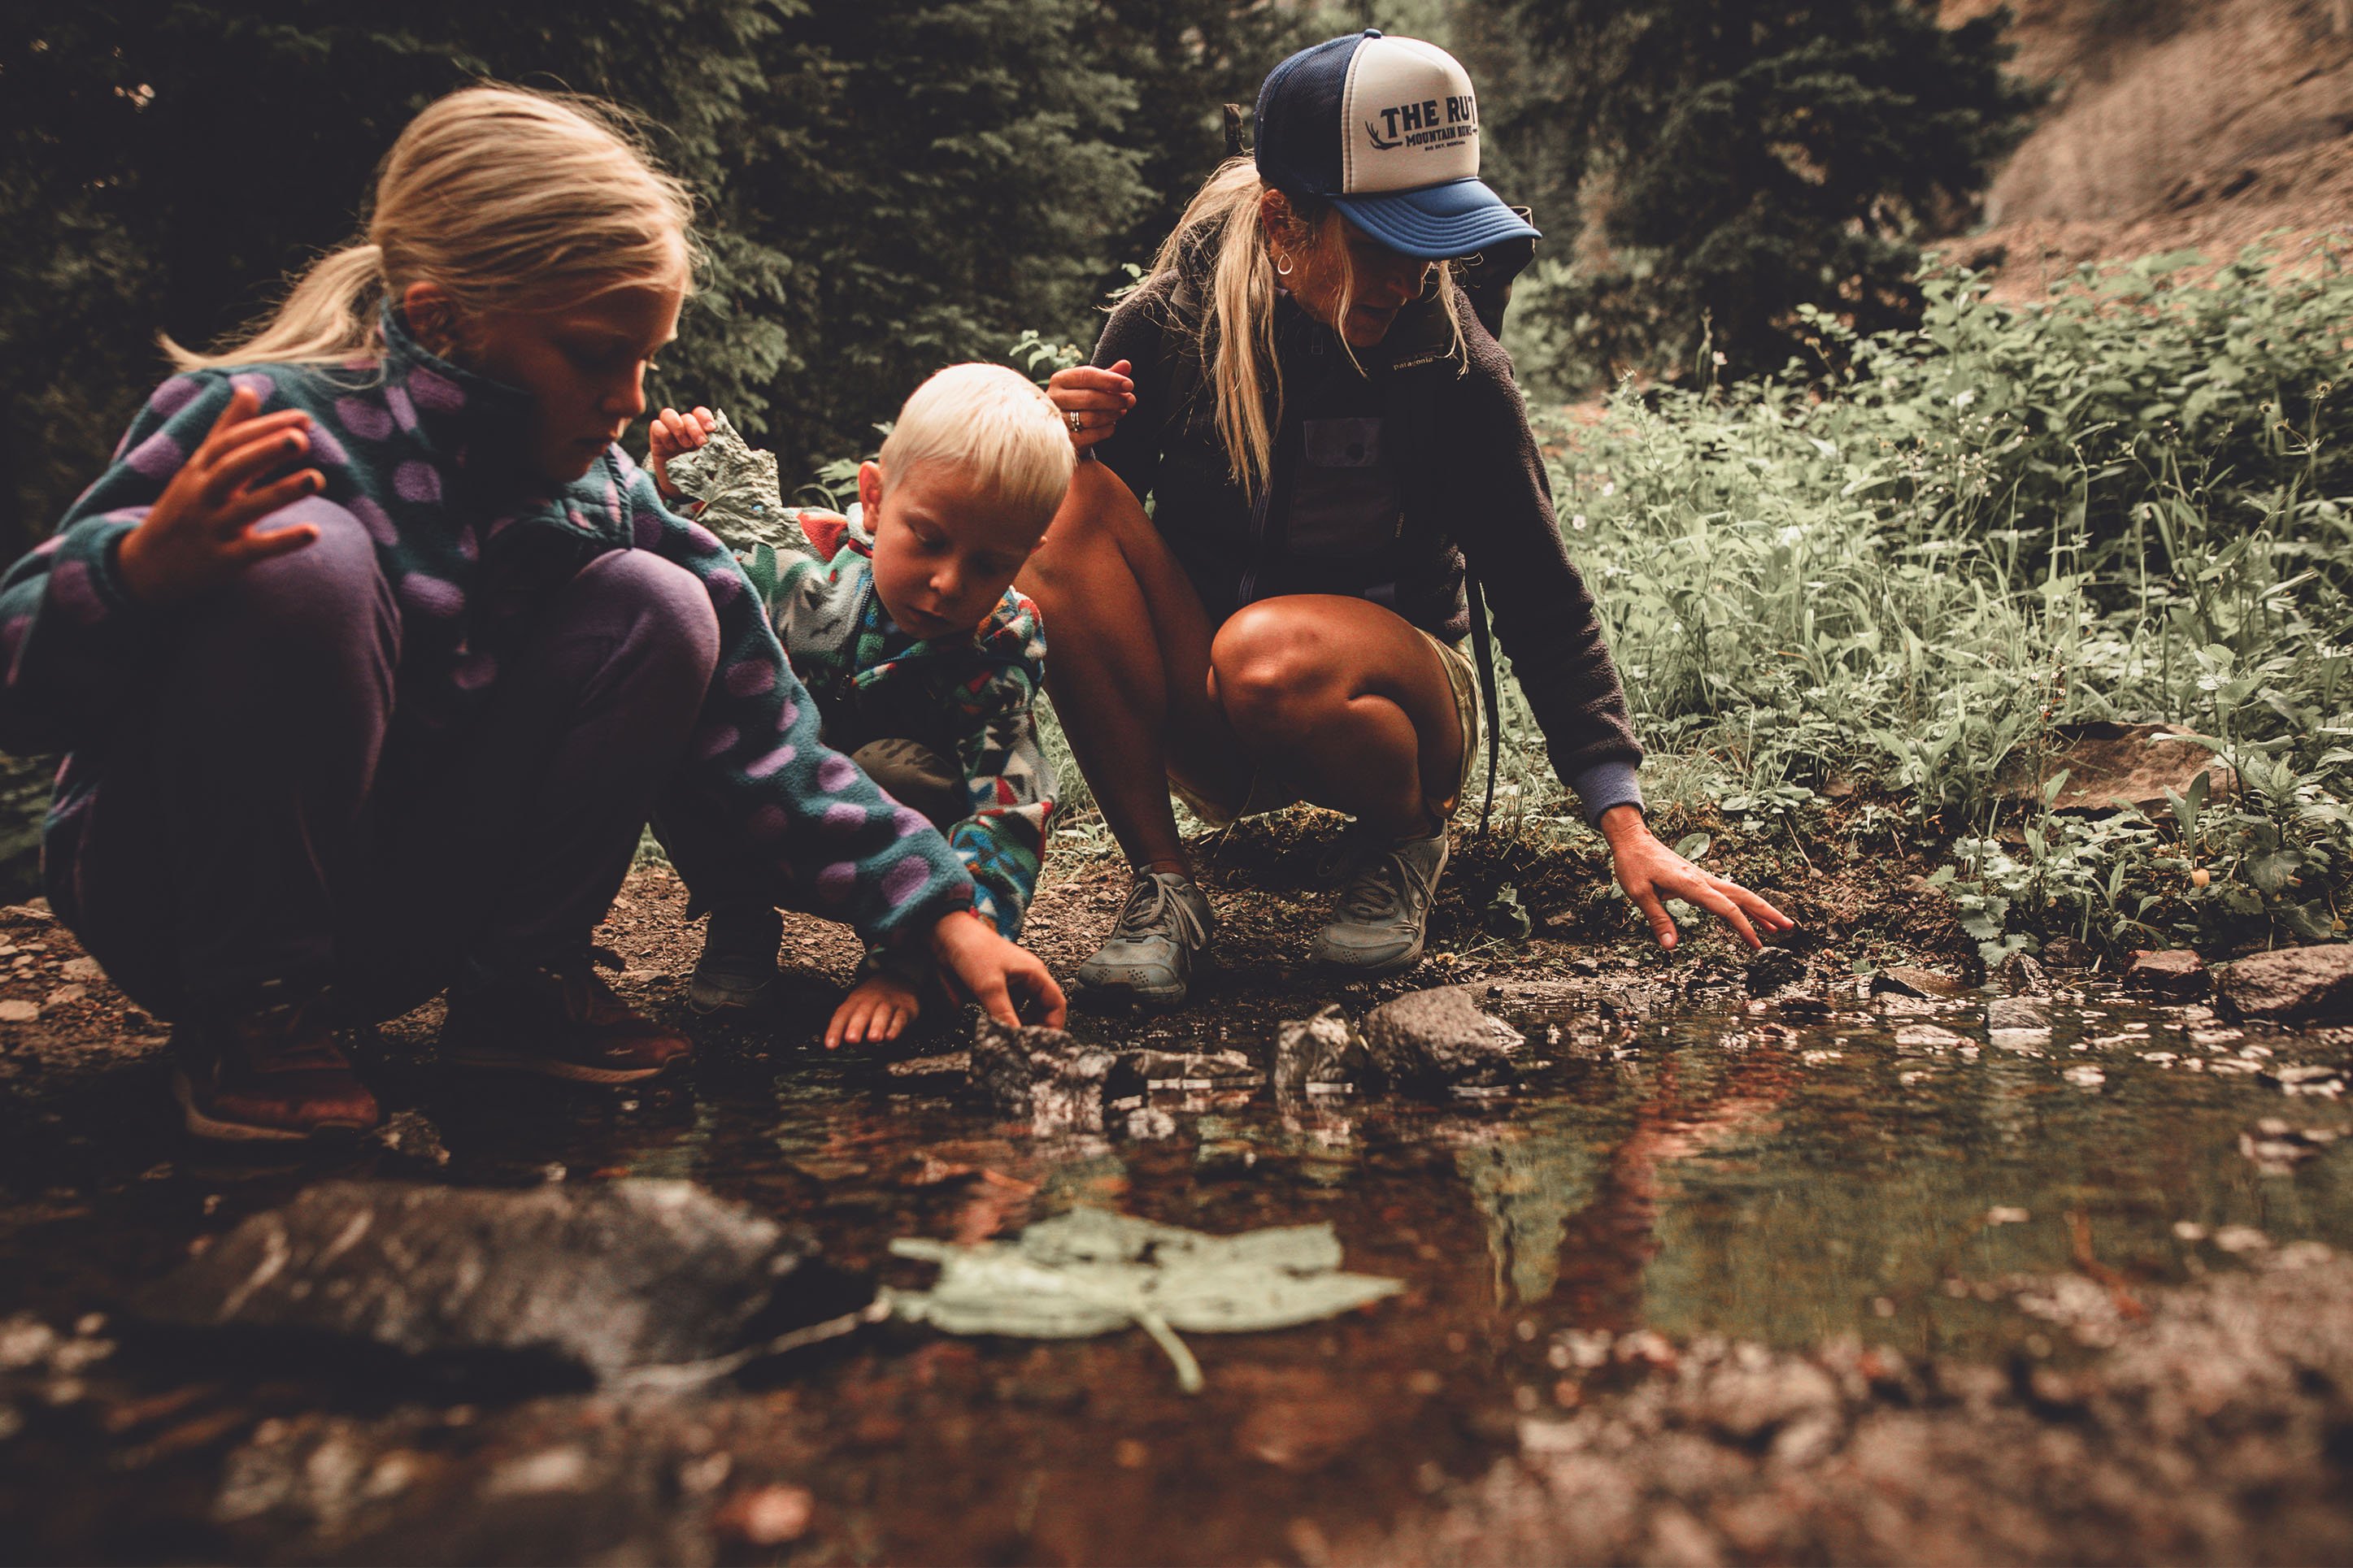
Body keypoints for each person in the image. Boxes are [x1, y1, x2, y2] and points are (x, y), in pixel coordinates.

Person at [0, 85, 1062, 1144]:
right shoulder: (255, 424)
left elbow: (763, 726)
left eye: (646, 356)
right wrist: (137, 575)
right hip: (180, 911)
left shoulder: (599, 489)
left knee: (667, 602)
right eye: (597, 354)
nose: (631, 397)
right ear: (442, 319)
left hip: (402, 917)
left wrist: (939, 912)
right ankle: (252, 1018)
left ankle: (517, 989)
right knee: (307, 561)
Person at [1024, 31, 1792, 1006]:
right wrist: (1063, 442)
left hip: (1397, 711)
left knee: (1265, 651)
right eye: (1383, 243)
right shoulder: (1171, 326)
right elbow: (1087, 558)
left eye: (1435, 241)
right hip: (1215, 704)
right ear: (1283, 222)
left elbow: (1537, 592)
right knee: (1059, 492)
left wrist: (1624, 822)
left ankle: (1402, 835)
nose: (1411, 275)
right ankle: (1165, 888)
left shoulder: (1455, 365)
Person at [645, 364, 1070, 1047]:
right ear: (873, 499)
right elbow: (692, 554)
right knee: (682, 707)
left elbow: (1005, 810)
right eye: (928, 539)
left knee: (906, 772)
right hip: (759, 816)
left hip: (897, 850)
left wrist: (919, 968)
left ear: (1028, 554)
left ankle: (905, 951)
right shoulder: (802, 564)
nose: (948, 583)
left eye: (990, 565)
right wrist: (674, 485)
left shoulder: (995, 656)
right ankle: (740, 913)